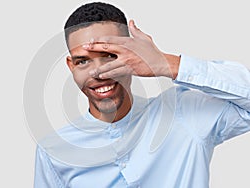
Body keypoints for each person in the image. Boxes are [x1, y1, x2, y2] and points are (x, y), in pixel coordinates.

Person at [34, 2, 250, 188]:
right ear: (71, 66)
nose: (97, 73)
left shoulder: (184, 113)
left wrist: (165, 63)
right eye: (83, 61)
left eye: (110, 55)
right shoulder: (53, 151)